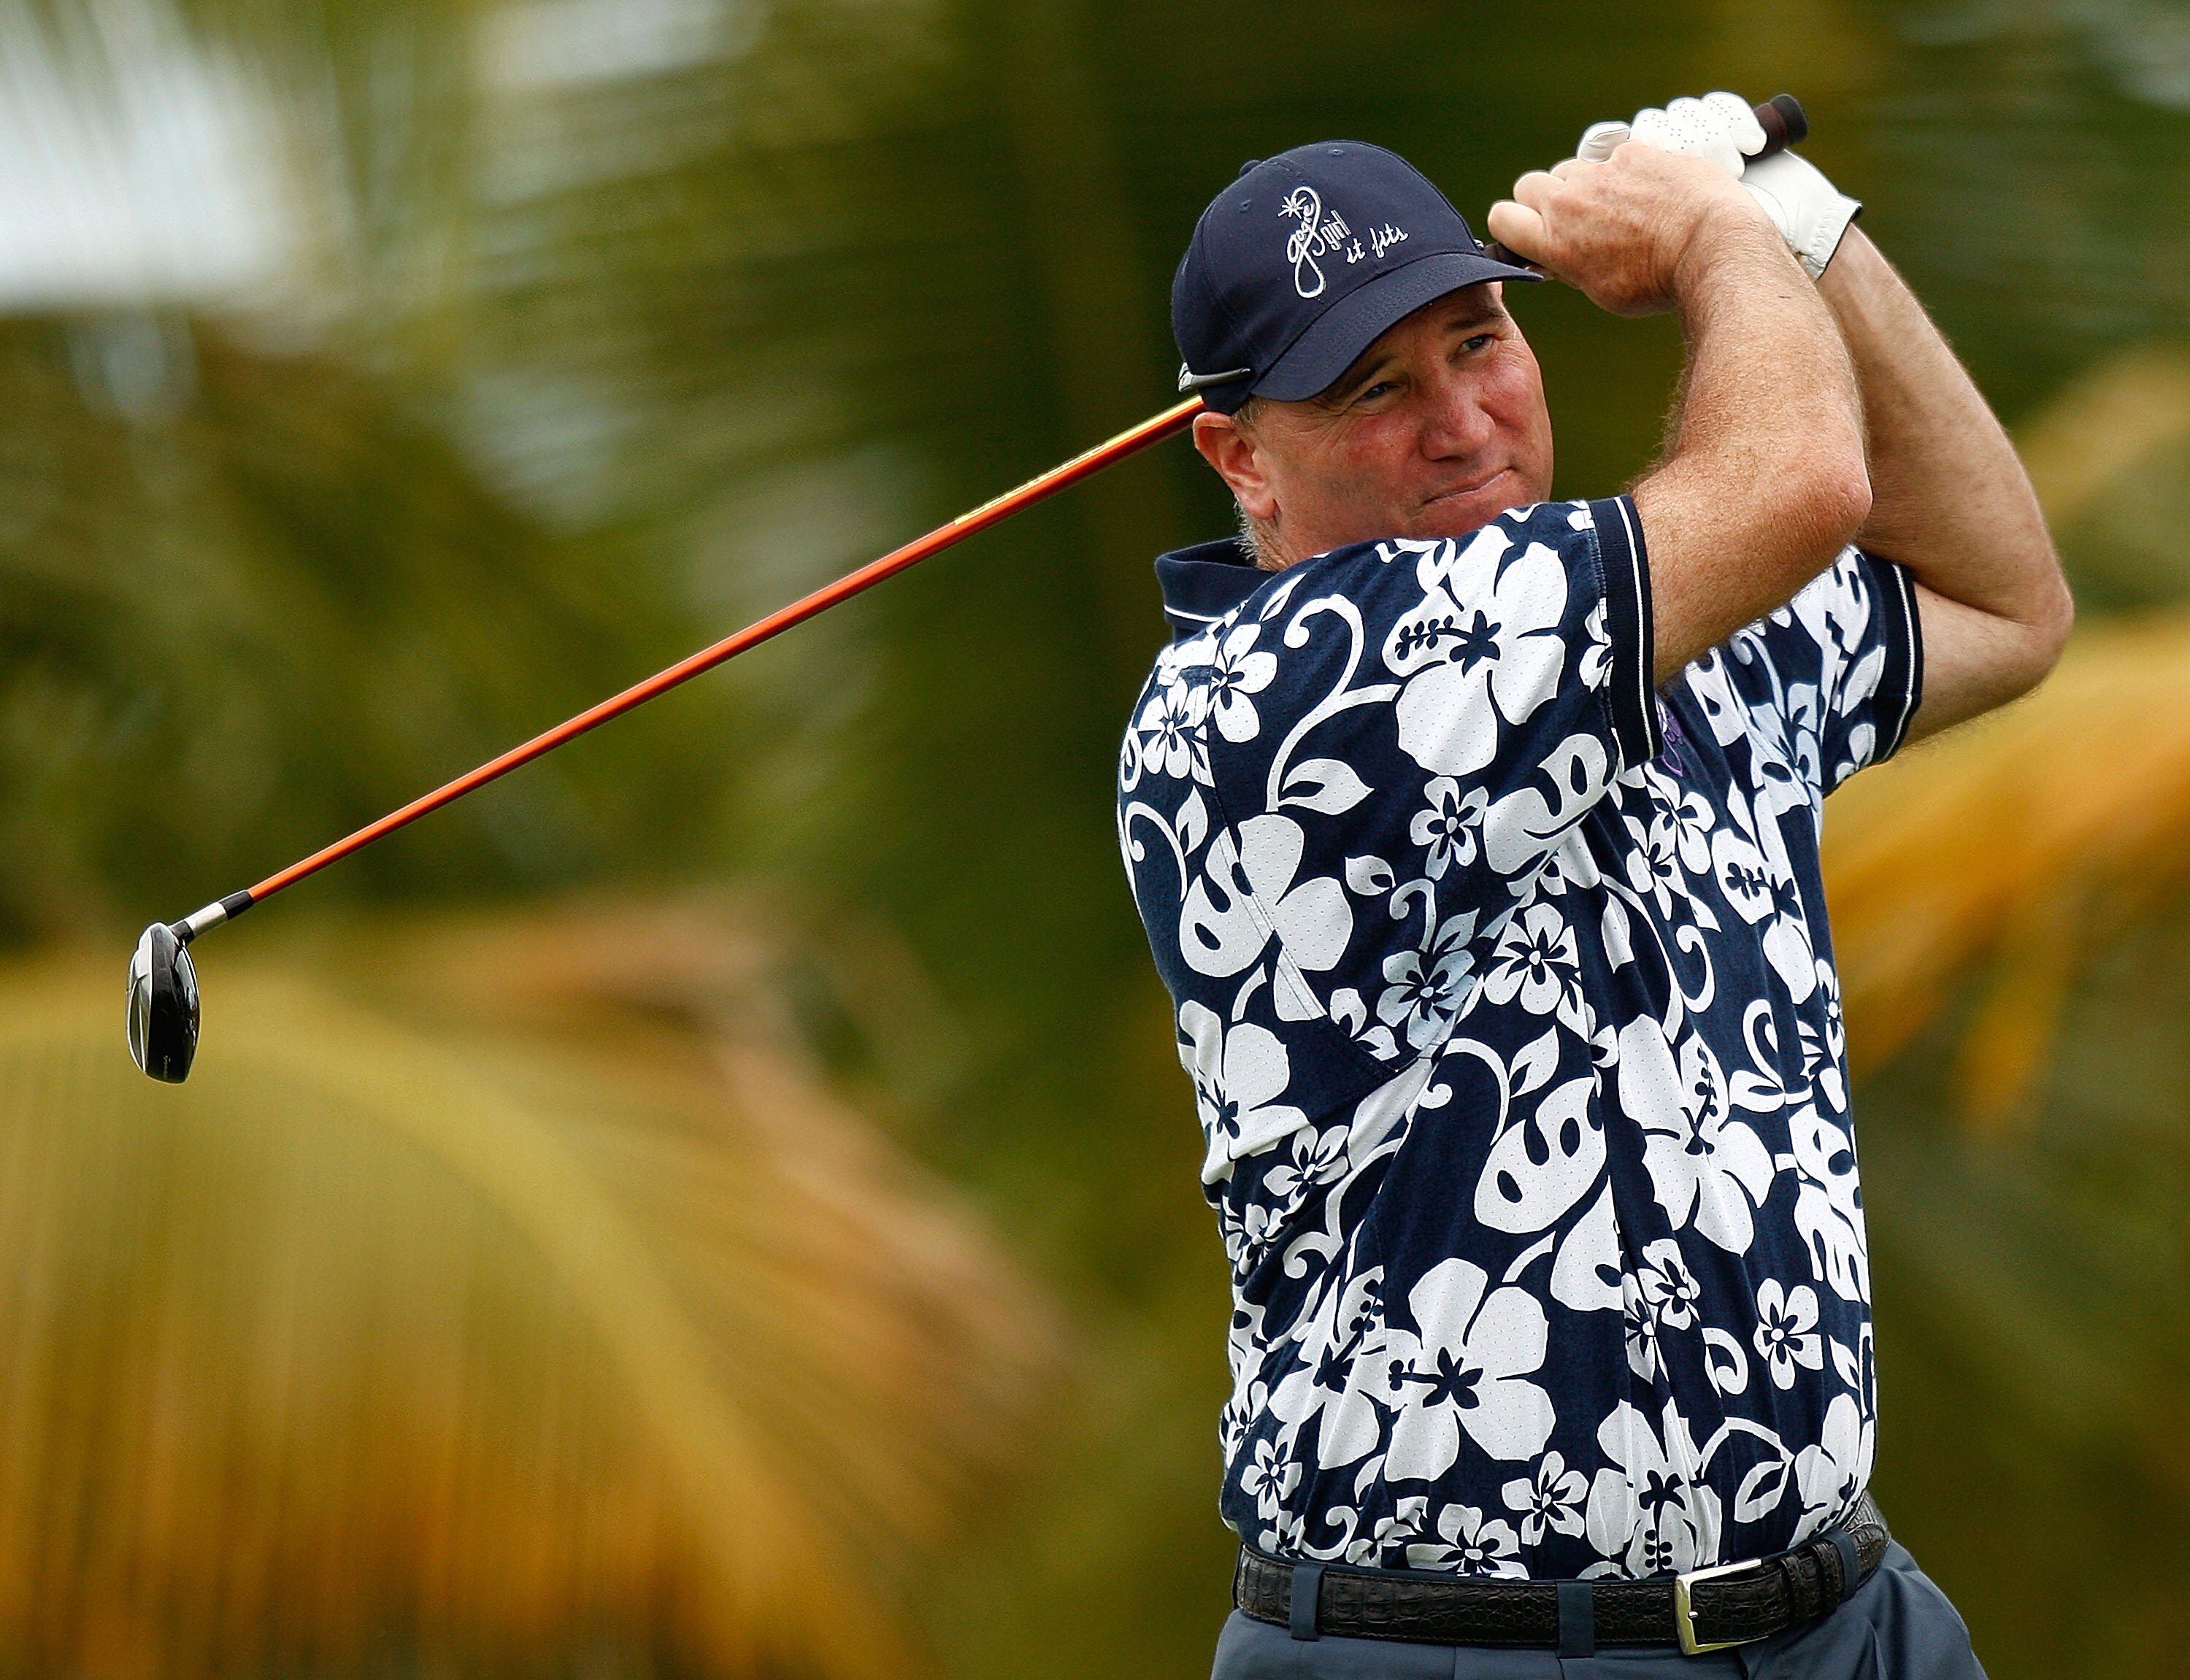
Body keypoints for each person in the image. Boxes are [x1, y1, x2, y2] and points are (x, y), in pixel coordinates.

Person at [1116, 93, 2071, 1678]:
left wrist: (1804, 218)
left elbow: (2004, 596)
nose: (1460, 419)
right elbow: (1804, 482)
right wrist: (1712, 231)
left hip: (1842, 1615)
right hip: (1460, 1649)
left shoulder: (1641, 627)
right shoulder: (1270, 694)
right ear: (1239, 457)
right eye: (1373, 388)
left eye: (1481, 339)